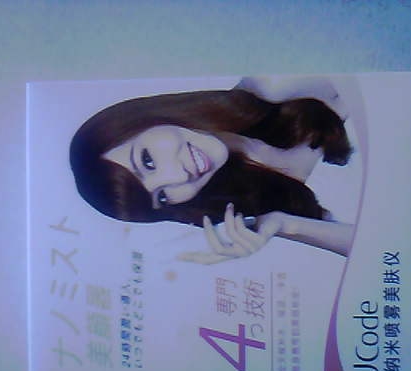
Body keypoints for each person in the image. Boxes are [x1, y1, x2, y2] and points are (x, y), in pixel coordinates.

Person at [70, 77, 357, 264]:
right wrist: (287, 226)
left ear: (144, 120)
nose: (179, 178)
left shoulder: (273, 87)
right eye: (163, 196)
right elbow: (375, 252)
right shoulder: (252, 213)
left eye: (148, 161)